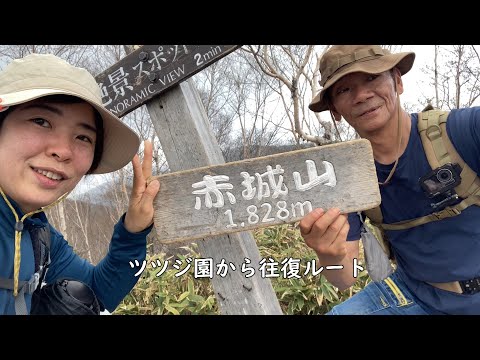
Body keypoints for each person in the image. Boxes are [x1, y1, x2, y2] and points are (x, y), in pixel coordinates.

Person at [300, 45, 480, 315]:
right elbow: (343, 278)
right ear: (334, 110)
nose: (361, 95)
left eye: (372, 77)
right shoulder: (346, 177)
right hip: (416, 297)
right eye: (344, 90)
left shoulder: (461, 131)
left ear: (397, 80)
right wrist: (328, 254)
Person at [0, 53, 161, 314]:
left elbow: (95, 292)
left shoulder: (37, 232)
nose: (63, 151)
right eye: (41, 121)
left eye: (83, 137)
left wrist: (133, 232)